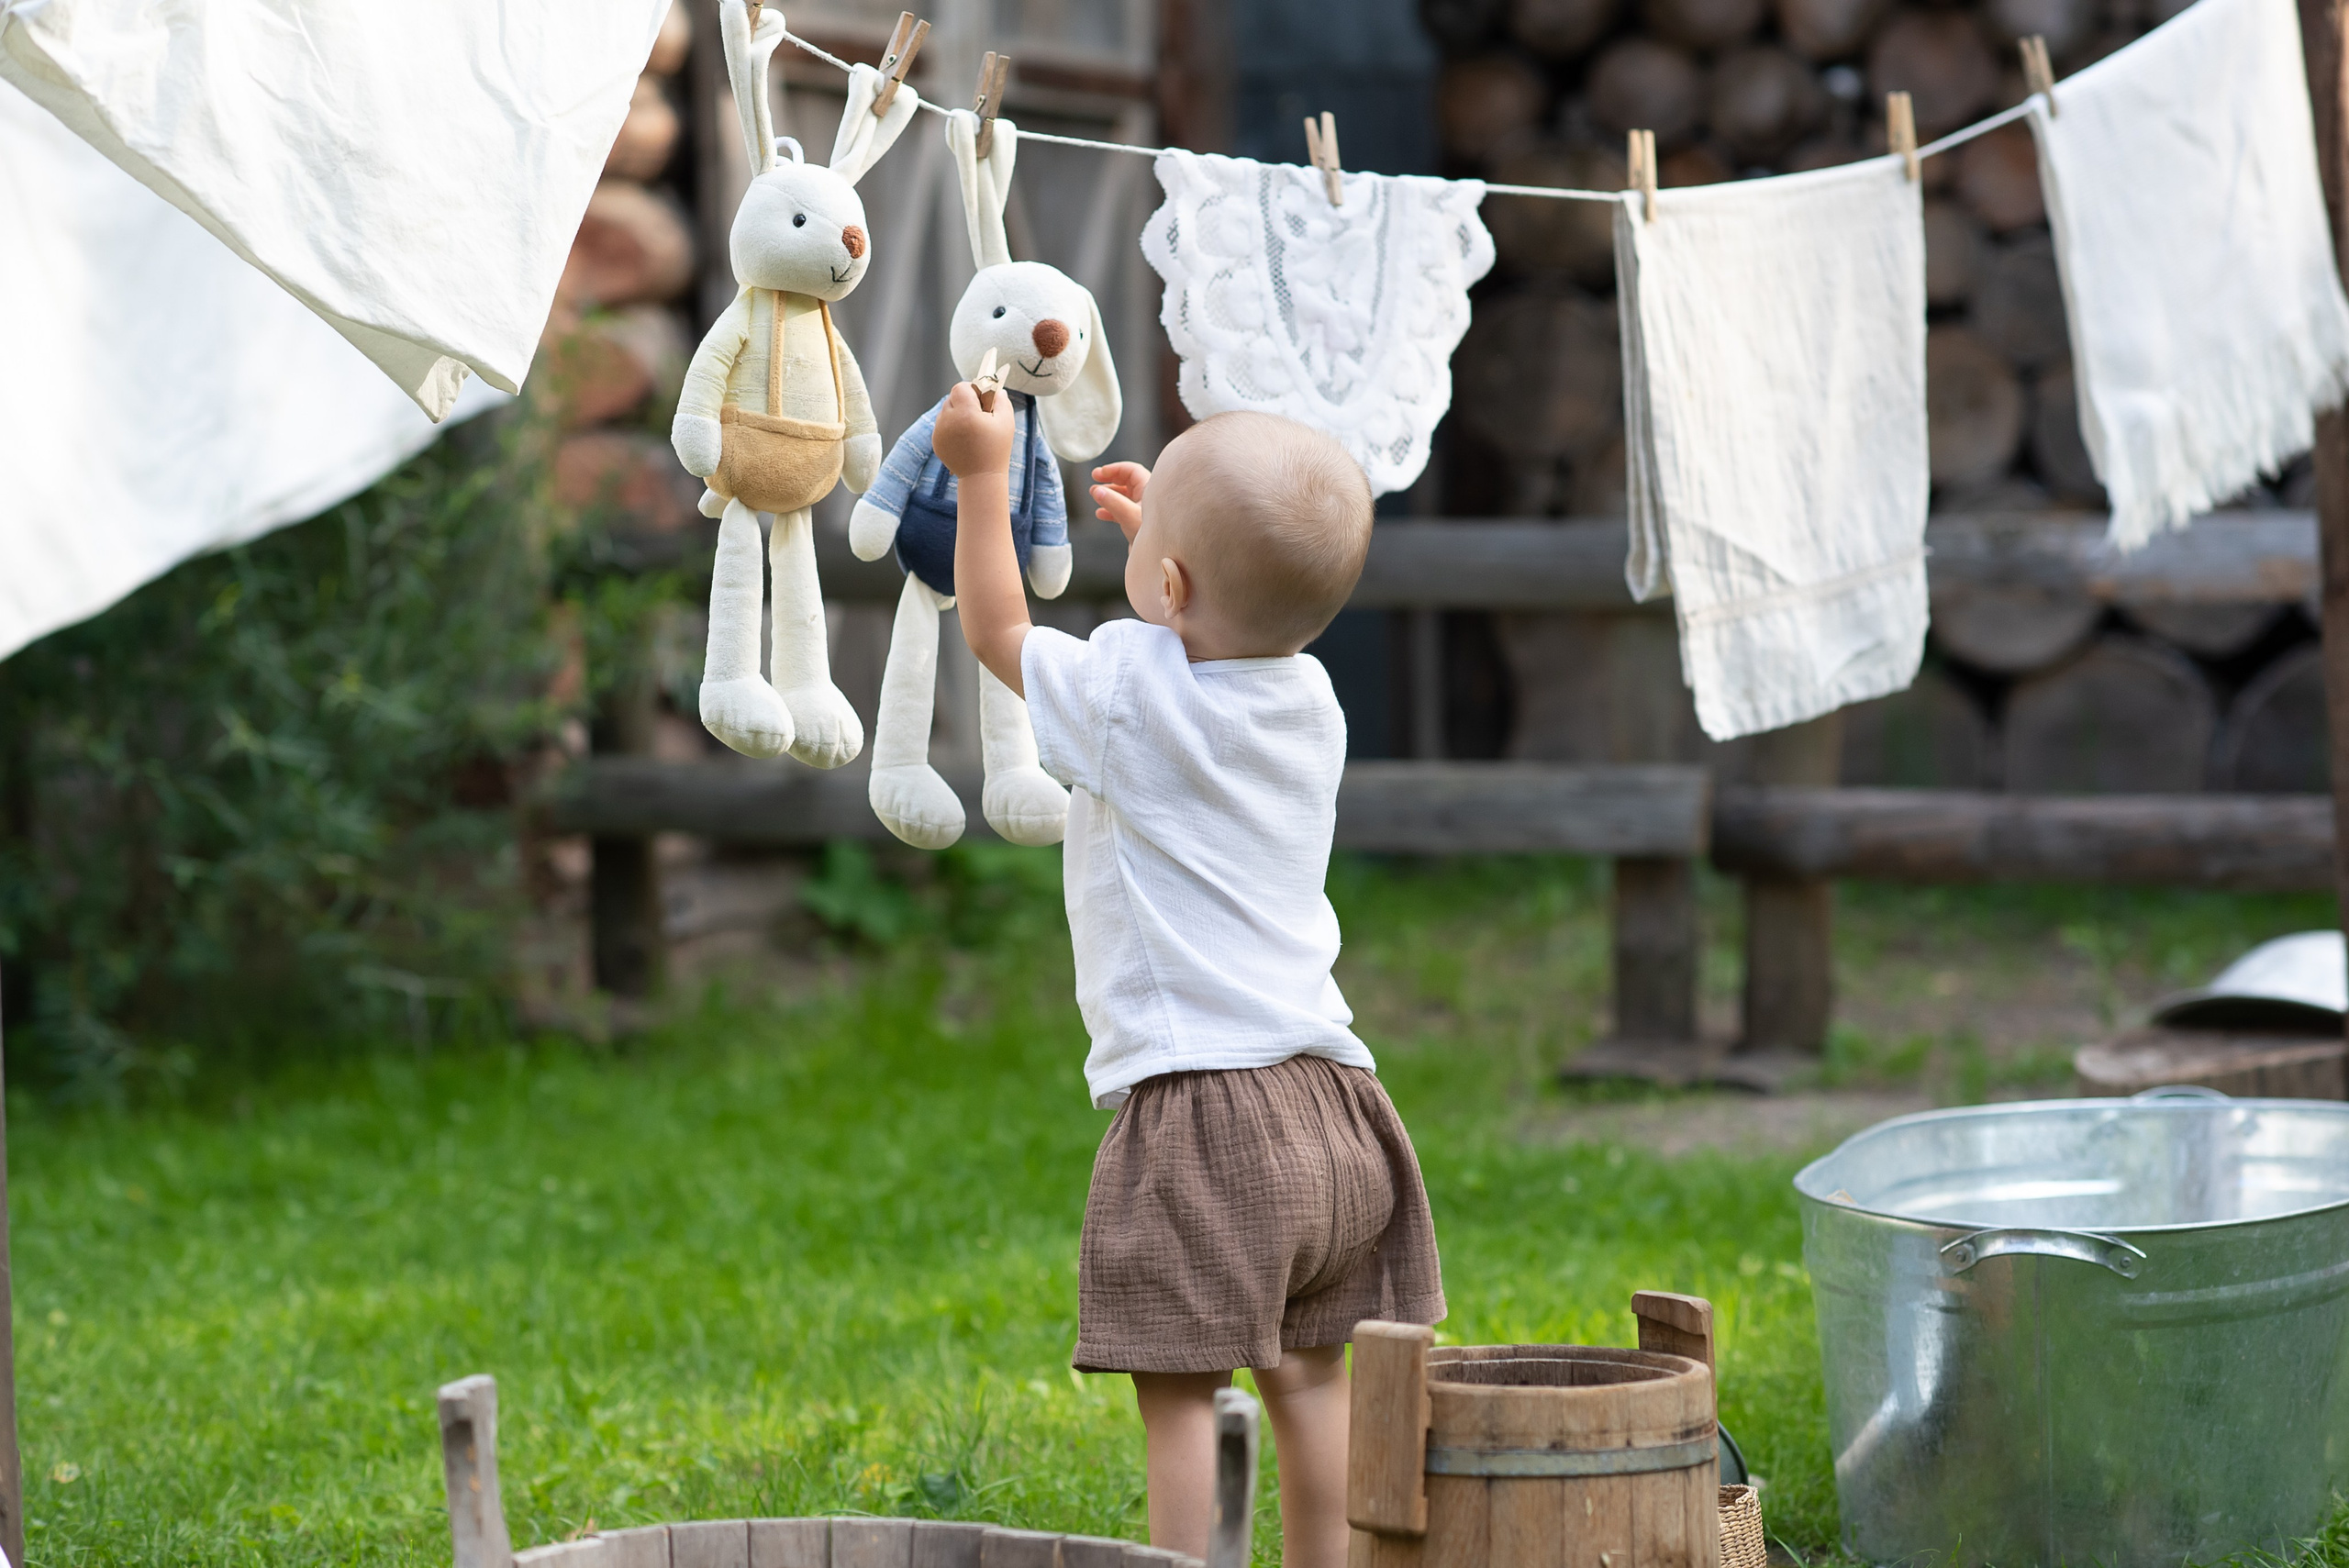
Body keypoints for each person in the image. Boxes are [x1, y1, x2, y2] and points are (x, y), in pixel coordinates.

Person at [930, 386, 1446, 1568]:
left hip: (1208, 1118)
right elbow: (1226, 633)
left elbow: (999, 632)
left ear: (1167, 592)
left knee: (1182, 1400)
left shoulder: (1127, 699)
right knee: (1310, 1381)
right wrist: (1173, 555)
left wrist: (978, 476)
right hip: (1339, 1110)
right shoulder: (1310, 700)